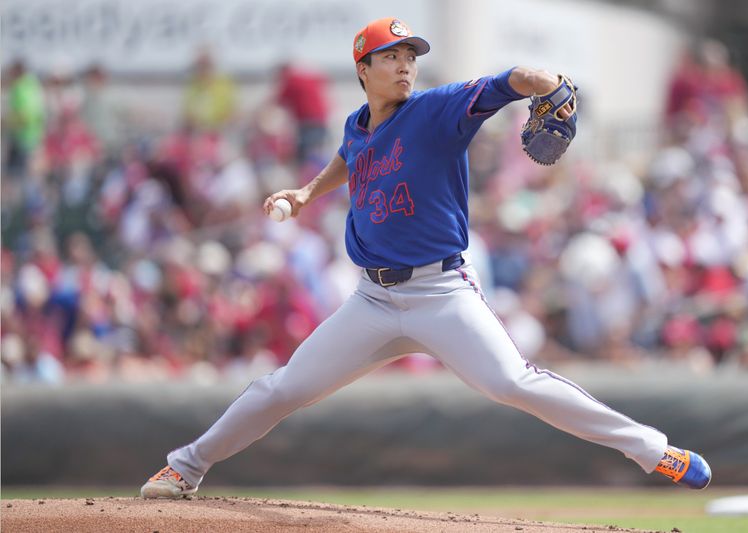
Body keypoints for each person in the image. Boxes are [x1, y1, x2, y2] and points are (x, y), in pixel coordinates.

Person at [141, 17, 711, 498]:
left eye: (411, 54)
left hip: (441, 294)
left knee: (515, 383)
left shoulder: (437, 109)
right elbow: (350, 156)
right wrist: (307, 193)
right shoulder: (357, 124)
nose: (406, 64)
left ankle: (655, 452)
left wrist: (549, 80)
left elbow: (504, 82)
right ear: (363, 69)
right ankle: (184, 467)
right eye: (392, 56)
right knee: (282, 388)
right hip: (371, 300)